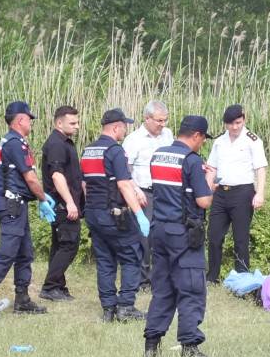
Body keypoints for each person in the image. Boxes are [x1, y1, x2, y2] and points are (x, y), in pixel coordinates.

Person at [0, 101, 57, 318]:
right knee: (7, 252)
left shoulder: (13, 142)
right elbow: (30, 177)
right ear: (20, 120)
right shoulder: (16, 143)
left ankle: (22, 299)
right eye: (29, 119)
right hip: (11, 205)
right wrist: (43, 198)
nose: (31, 123)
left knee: (25, 253)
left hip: (17, 205)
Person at [143, 115, 214, 357]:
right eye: (203, 139)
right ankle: (190, 348)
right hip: (184, 234)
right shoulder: (192, 161)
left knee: (162, 289)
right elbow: (203, 200)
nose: (202, 144)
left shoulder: (159, 154)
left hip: (159, 230)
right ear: (196, 135)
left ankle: (151, 346)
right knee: (191, 289)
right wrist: (210, 181)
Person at [81, 108, 151, 322]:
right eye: (124, 126)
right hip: (114, 215)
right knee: (131, 256)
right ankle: (126, 306)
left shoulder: (88, 150)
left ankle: (108, 308)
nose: (125, 130)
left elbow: (85, 184)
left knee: (105, 260)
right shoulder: (115, 151)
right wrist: (140, 214)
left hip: (93, 213)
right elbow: (122, 184)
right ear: (116, 127)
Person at [205, 104, 268, 283]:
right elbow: (212, 167)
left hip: (243, 192)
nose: (234, 127)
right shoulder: (219, 141)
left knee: (240, 238)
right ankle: (212, 276)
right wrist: (207, 190)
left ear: (244, 119)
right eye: (230, 124)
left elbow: (260, 169)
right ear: (225, 124)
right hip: (220, 193)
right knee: (214, 236)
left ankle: (242, 277)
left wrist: (260, 193)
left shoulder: (252, 140)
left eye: (238, 123)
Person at [122, 100, 173, 290]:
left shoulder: (167, 135)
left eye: (165, 120)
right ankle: (143, 278)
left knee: (162, 234)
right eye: (159, 120)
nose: (162, 124)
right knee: (145, 236)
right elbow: (125, 170)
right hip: (143, 192)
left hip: (164, 192)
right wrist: (135, 191)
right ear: (147, 118)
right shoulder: (134, 140)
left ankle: (159, 275)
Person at [39, 105, 85, 301]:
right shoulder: (57, 144)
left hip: (65, 204)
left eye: (77, 122)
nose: (77, 126)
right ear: (59, 123)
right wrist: (69, 203)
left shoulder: (65, 142)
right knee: (69, 245)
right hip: (62, 205)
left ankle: (58, 285)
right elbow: (57, 176)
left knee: (60, 245)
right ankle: (50, 287)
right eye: (72, 123)